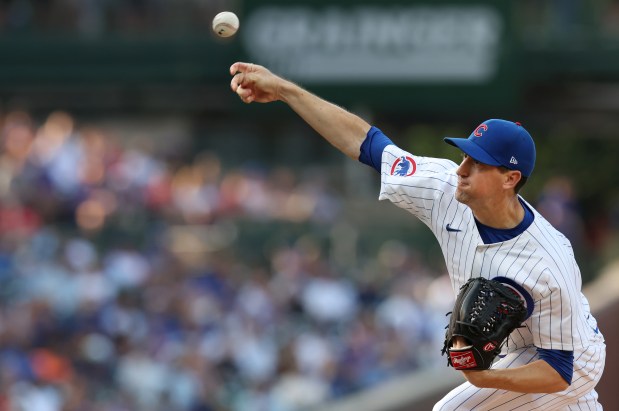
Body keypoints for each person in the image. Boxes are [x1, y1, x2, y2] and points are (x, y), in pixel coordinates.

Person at [228, 62, 606, 410]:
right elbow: (367, 143)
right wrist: (284, 90)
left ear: (510, 179)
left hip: (570, 362)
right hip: (526, 352)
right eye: (465, 156)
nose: (462, 169)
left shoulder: (548, 258)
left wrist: (482, 376)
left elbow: (560, 370)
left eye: (477, 163)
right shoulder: (444, 188)